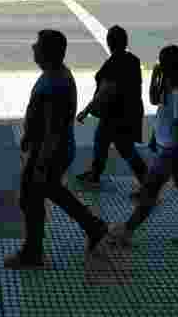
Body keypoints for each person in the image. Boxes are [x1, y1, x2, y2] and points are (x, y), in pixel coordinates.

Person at [6, 29, 108, 269]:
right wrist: (29, 135)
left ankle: (33, 254)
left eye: (37, 44)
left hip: (50, 152)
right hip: (48, 148)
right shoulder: (55, 74)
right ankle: (94, 226)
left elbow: (53, 129)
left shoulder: (56, 84)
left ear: (48, 52)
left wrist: (41, 161)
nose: (33, 47)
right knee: (49, 191)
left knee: (31, 197)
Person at [108, 45, 178, 248]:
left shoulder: (177, 92)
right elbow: (156, 102)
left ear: (168, 65)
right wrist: (156, 77)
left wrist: (174, 155)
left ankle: (126, 231)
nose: (159, 64)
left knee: (150, 192)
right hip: (175, 147)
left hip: (173, 149)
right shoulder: (175, 84)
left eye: (161, 62)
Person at [74, 26, 148, 191]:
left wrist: (85, 111)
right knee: (101, 140)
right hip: (130, 111)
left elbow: (105, 92)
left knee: (125, 148)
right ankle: (95, 173)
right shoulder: (133, 60)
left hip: (115, 115)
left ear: (109, 43)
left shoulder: (113, 64)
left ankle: (147, 183)